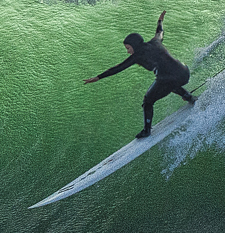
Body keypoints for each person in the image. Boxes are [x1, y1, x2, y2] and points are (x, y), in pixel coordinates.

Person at [84, 10, 196, 138]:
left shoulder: (137, 55)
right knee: (167, 82)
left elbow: (118, 68)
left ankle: (147, 130)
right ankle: (188, 96)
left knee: (148, 100)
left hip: (169, 78)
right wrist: (160, 20)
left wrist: (98, 77)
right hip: (184, 73)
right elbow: (160, 32)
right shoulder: (155, 41)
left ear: (134, 46)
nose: (128, 52)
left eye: (128, 48)